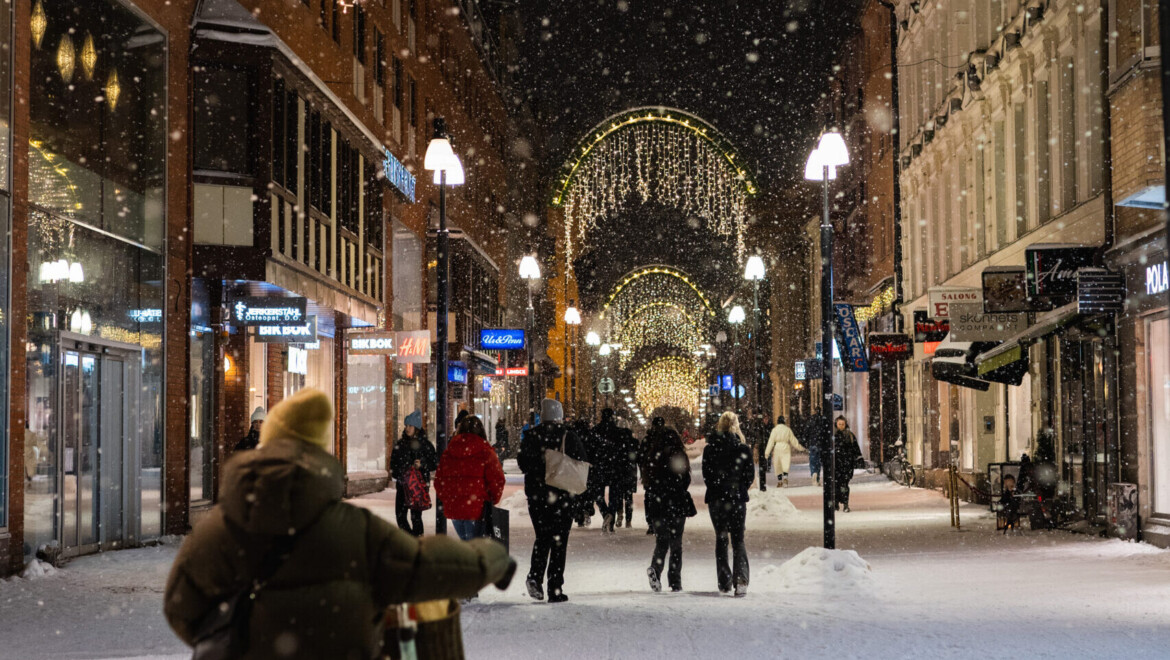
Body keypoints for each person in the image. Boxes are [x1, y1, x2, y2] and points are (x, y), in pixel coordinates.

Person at [164, 389, 516, 659]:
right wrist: (489, 559)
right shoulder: (353, 529)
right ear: (319, 453)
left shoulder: (218, 530)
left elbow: (181, 608)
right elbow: (424, 567)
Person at [518, 398, 588, 603]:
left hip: (537, 497)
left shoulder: (531, 436)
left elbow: (523, 464)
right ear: (560, 415)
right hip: (562, 496)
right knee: (559, 541)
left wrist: (539, 469)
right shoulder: (568, 436)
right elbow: (581, 463)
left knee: (542, 537)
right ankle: (555, 588)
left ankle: (535, 576)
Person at [702, 411, 754, 597]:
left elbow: (707, 476)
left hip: (717, 499)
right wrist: (738, 488)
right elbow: (749, 476)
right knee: (738, 540)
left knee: (721, 538)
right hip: (737, 499)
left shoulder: (710, 449)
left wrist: (718, 488)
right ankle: (741, 580)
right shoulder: (743, 449)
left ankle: (724, 581)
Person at [642, 418, 695, 592]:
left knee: (661, 541)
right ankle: (675, 580)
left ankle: (656, 569)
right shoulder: (679, 456)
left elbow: (648, 482)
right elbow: (685, 480)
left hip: (658, 504)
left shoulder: (653, 456)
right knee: (676, 544)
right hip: (677, 503)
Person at [435, 414, 506, 541]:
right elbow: (497, 480)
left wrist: (448, 498)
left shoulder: (449, 452)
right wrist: (491, 500)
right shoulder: (486, 452)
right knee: (476, 547)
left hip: (455, 509)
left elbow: (439, 481)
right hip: (477, 509)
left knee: (467, 544)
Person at [390, 411, 437, 537]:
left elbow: (434, 463)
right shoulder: (401, 444)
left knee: (416, 516)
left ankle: (417, 539)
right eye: (406, 425)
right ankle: (411, 539)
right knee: (400, 516)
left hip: (418, 486)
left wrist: (422, 465)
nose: (407, 428)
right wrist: (401, 472)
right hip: (403, 485)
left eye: (410, 426)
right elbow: (393, 464)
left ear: (416, 427)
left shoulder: (425, 445)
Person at [591, 408, 625, 533]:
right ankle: (611, 522)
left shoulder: (595, 431)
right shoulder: (618, 432)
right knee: (614, 496)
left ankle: (605, 513)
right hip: (615, 467)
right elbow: (622, 451)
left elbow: (591, 449)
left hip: (599, 466)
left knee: (598, 494)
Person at [764, 414, 805, 488]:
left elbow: (771, 442)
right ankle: (785, 478)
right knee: (785, 463)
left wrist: (767, 453)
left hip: (777, 447)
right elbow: (793, 440)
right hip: (786, 447)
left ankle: (779, 481)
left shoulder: (774, 430)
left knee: (778, 464)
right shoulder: (787, 429)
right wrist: (801, 448)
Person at [833, 416, 862, 512]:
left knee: (844, 484)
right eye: (839, 424)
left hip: (847, 465)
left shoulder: (850, 436)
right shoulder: (833, 436)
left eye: (843, 424)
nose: (841, 426)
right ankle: (836, 503)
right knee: (836, 485)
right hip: (836, 465)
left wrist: (859, 458)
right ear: (836, 424)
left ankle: (845, 504)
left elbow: (856, 448)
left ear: (845, 424)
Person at [744, 408, 770, 491]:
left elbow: (750, 432)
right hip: (759, 443)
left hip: (758, 443)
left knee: (761, 458)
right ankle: (762, 481)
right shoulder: (756, 423)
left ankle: (764, 470)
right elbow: (752, 433)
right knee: (761, 458)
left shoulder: (754, 423)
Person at [804, 409, 828, 485]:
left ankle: (813, 473)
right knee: (818, 462)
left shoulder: (810, 421)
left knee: (812, 461)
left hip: (812, 444)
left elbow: (806, 433)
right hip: (820, 444)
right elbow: (826, 432)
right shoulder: (823, 421)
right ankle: (817, 477)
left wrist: (806, 442)